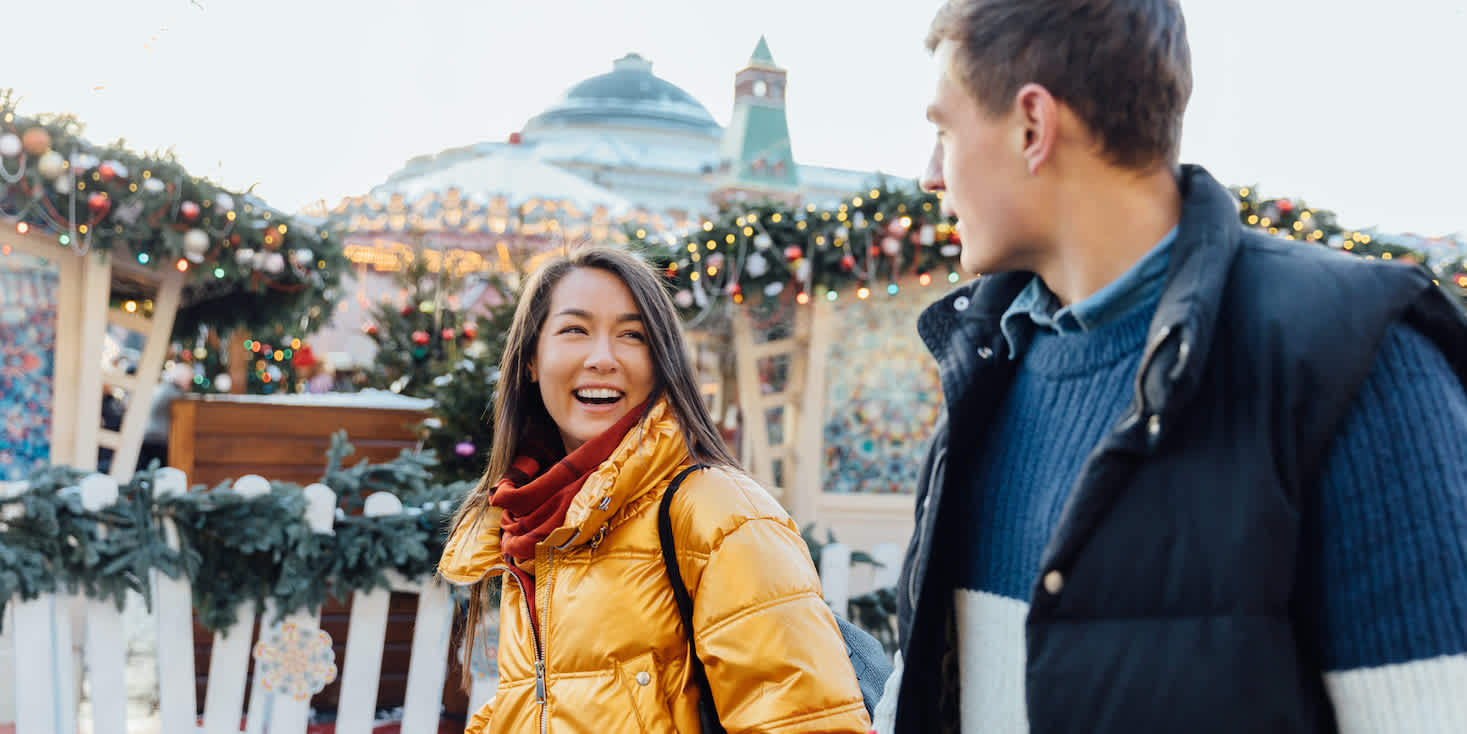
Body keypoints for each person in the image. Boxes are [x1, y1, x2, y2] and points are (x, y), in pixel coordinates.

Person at [873, 1, 1467, 732]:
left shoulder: (1356, 360)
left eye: (942, 130)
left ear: (1032, 126)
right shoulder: (984, 370)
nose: (930, 175)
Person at [439, 247, 871, 733]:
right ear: (531, 361)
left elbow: (806, 720)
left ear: (662, 362)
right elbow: (536, 700)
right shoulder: (530, 523)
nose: (603, 358)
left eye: (632, 336)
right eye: (574, 330)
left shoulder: (719, 512)